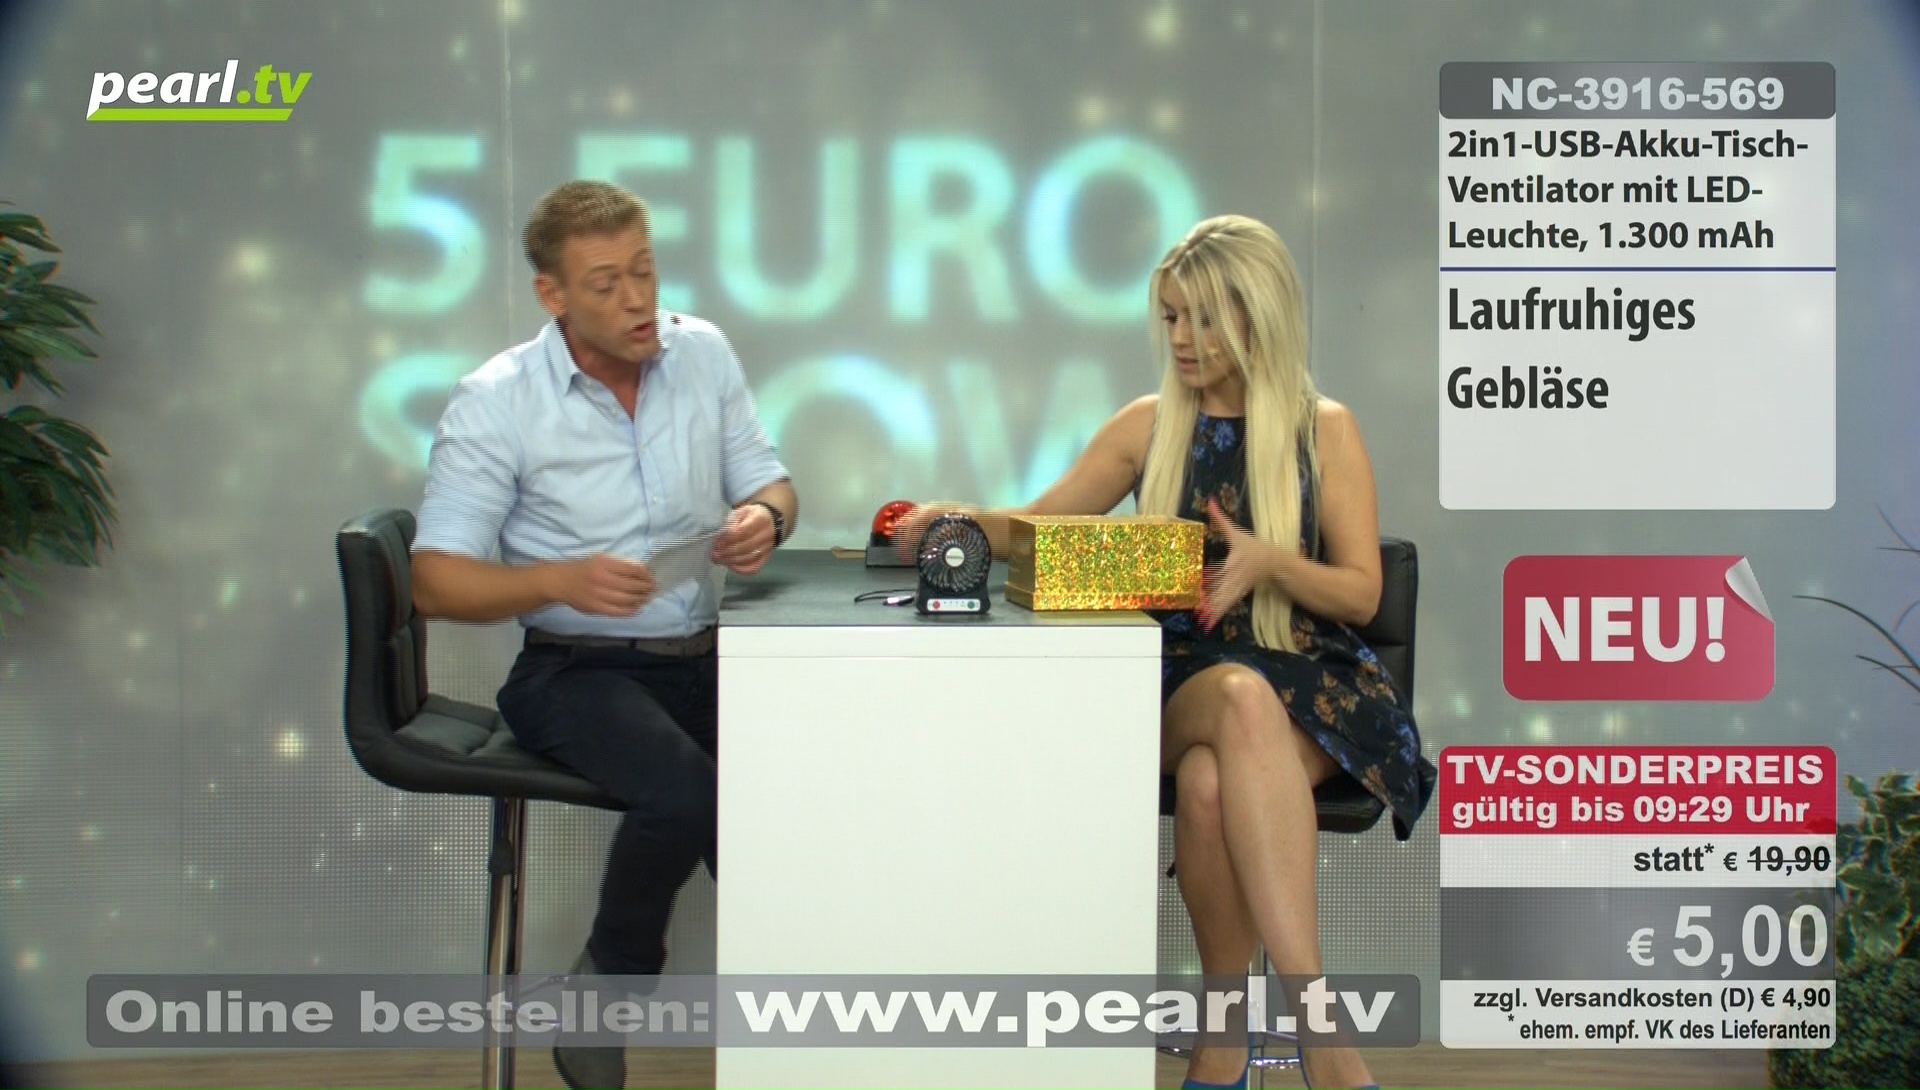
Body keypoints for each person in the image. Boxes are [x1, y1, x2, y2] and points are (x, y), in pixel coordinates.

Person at [900, 214, 1433, 1090]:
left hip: (1310, 677)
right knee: (1235, 699)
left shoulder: (1325, 430)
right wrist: (948, 519)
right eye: (1172, 317)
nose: (1182, 338)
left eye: (1204, 318)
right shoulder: (1147, 426)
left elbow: (1361, 595)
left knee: (1212, 778)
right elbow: (1034, 529)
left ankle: (1223, 1046)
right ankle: (1321, 1033)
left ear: (1257, 316)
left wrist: (1268, 563)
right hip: (1183, 678)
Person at [410, 180, 798, 1090]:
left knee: (790, 816)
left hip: (705, 659)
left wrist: (765, 520)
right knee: (689, 793)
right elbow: (433, 579)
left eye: (645, 272)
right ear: (552, 295)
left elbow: (771, 481)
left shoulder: (702, 353)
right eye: (606, 283)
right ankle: (605, 997)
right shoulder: (497, 400)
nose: (636, 301)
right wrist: (556, 579)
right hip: (573, 672)